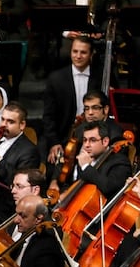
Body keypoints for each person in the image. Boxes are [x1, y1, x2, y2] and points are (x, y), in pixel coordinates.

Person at [0, 101, 40, 230]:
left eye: (10, 122)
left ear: (22, 125)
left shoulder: (29, 150)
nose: (4, 125)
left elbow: (19, 183)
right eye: (3, 120)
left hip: (7, 208)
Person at [41, 36, 102, 175]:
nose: (78, 56)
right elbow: (48, 116)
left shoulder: (100, 77)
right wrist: (54, 142)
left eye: (83, 52)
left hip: (93, 135)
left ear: (91, 54)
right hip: (64, 137)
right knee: (54, 169)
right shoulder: (56, 78)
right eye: (75, 51)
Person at [51, 120, 132, 200]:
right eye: (85, 140)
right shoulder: (84, 159)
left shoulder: (120, 162)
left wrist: (86, 167)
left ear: (105, 141)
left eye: (92, 140)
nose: (86, 145)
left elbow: (108, 187)